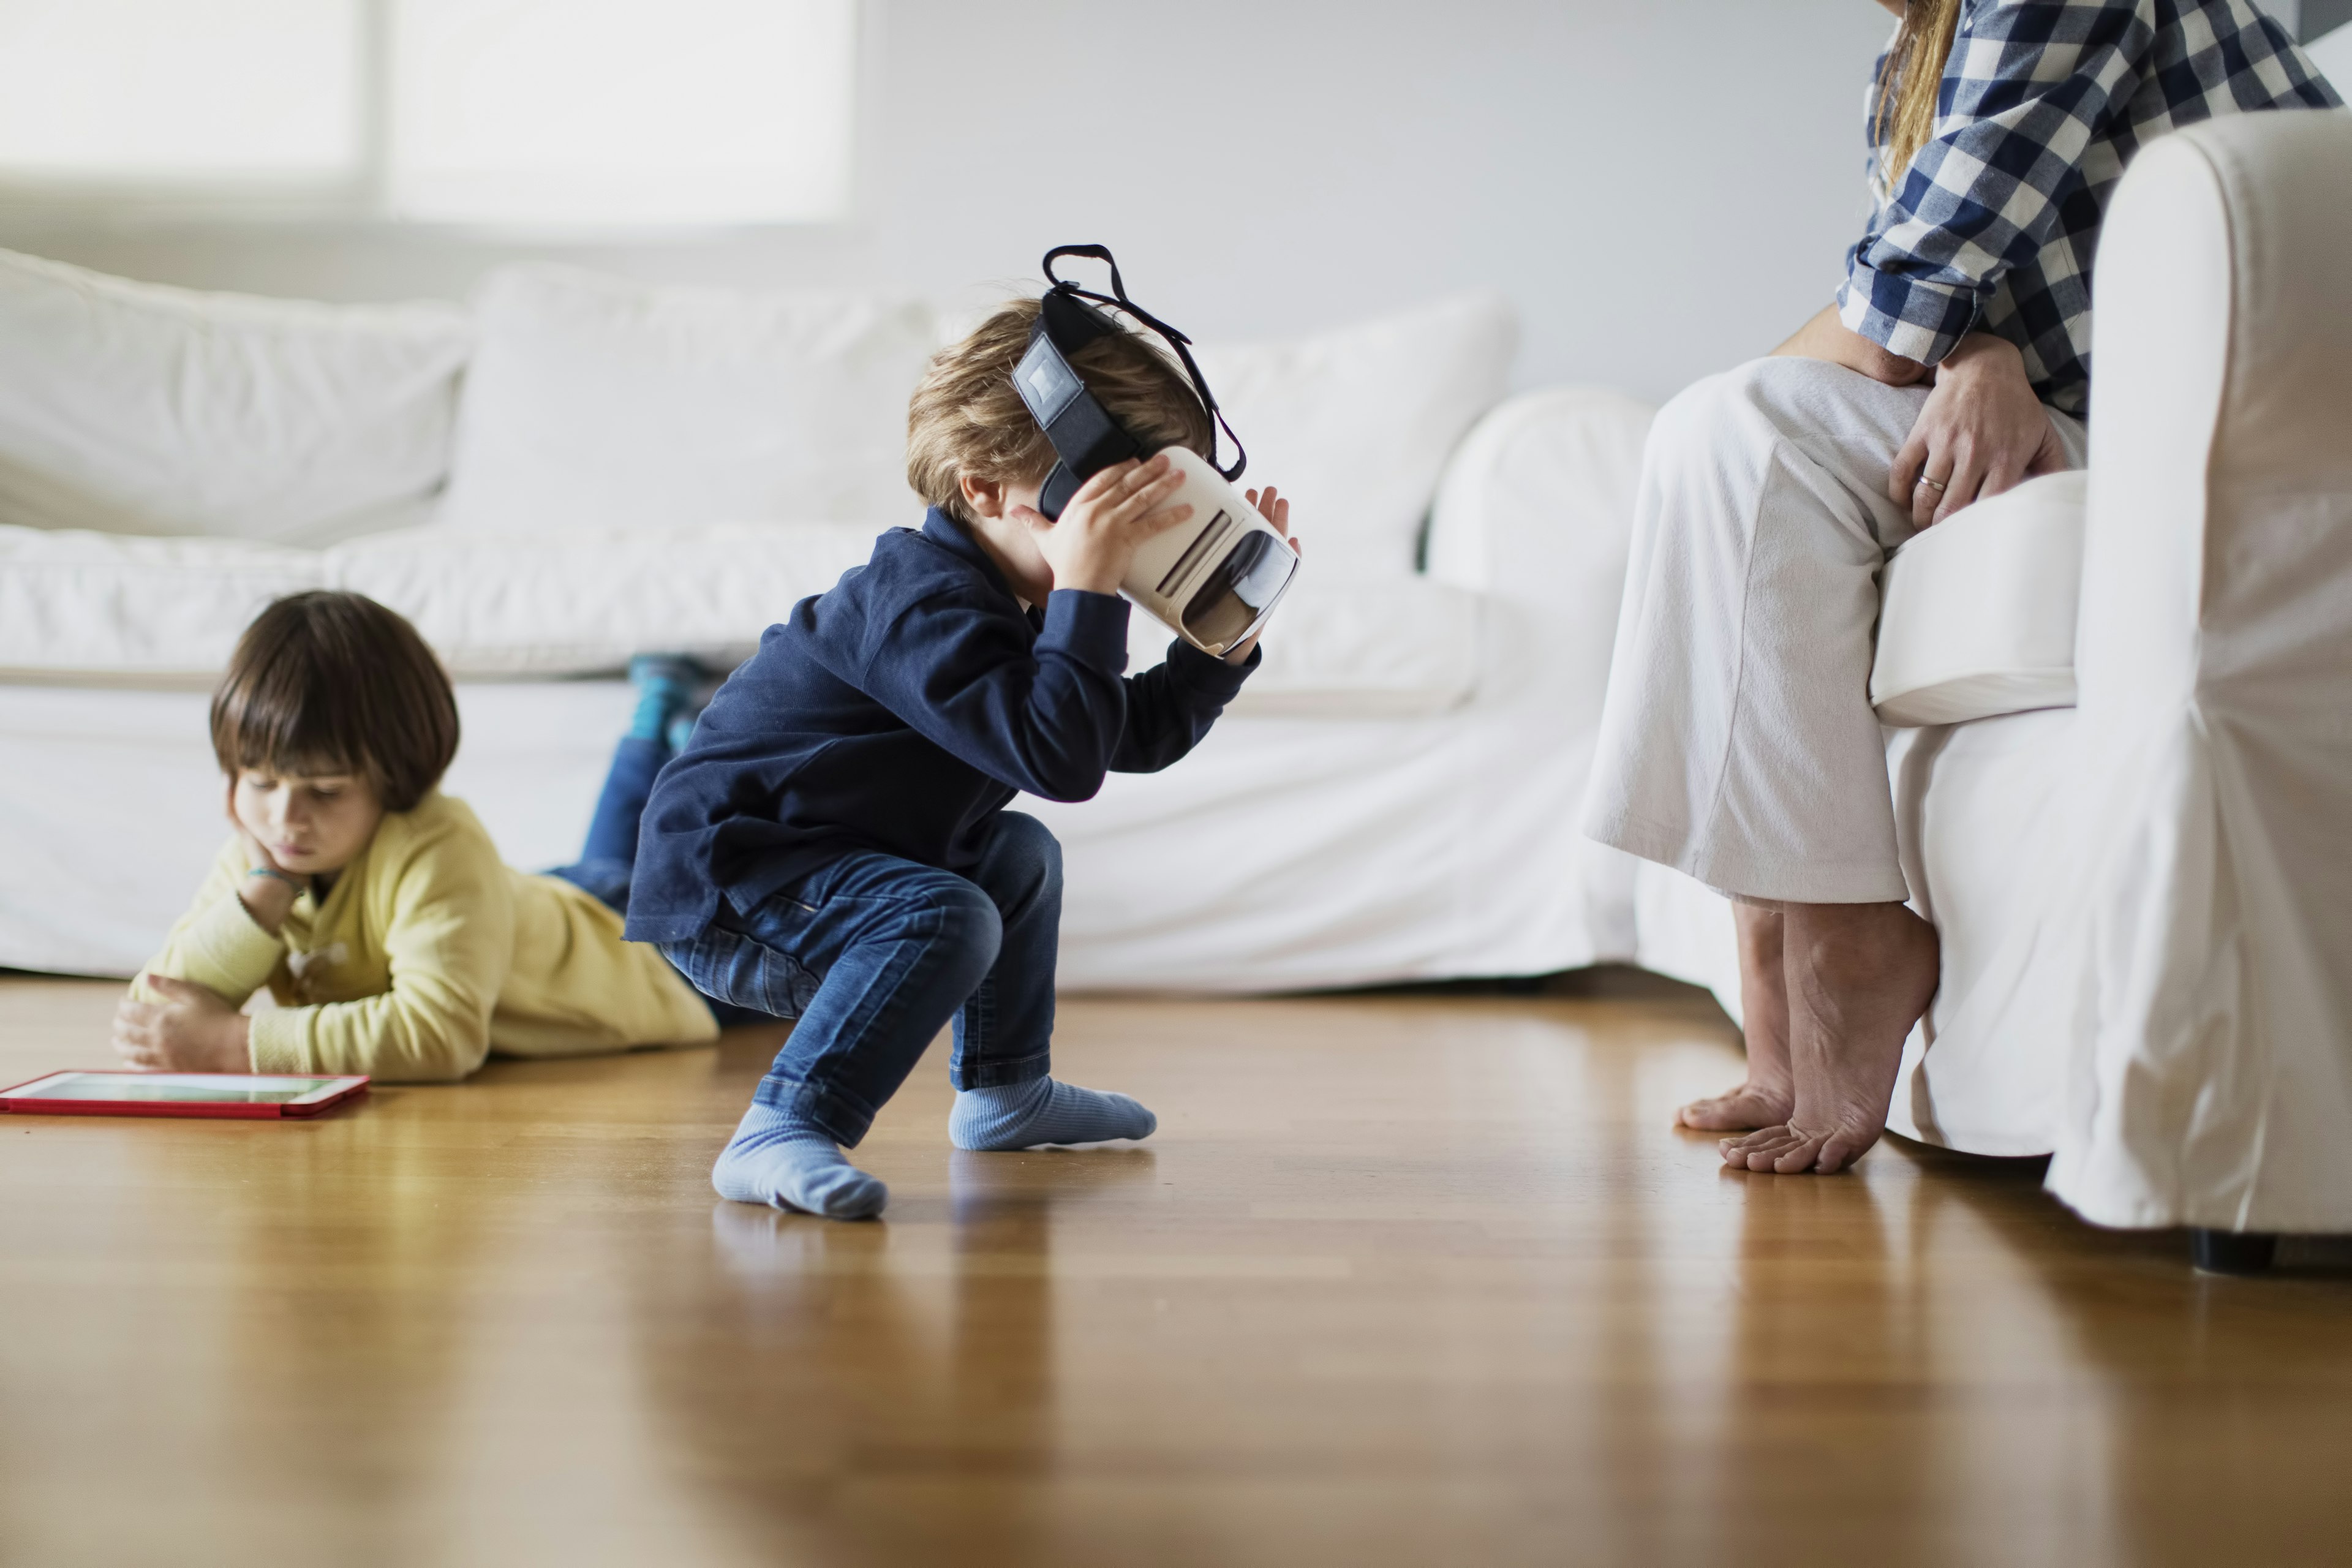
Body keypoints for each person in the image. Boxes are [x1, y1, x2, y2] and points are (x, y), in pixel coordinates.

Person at [1582, 0, 2339, 1175]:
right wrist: (1971, 349)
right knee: (1722, 447)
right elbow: (1915, 304)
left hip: (2258, 438)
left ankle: (1838, 945)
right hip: (2119, 419)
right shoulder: (1911, 58)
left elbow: (1887, 319)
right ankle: (1777, 952)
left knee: (1738, 438)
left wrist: (1937, 335)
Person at [624, 298, 1295, 1221]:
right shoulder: (918, 603)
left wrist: (1218, 643)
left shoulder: (1015, 596)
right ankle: (779, 1130)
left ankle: (1004, 1090)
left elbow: (1117, 737)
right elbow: (1061, 760)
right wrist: (1089, 591)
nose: (1127, 543)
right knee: (948, 913)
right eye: (1100, 511)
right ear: (984, 490)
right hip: (739, 885)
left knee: (1019, 855)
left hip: (842, 857)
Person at [112, 591, 736, 1080]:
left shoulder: (439, 843)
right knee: (605, 859)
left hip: (640, 960)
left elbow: (439, 1036)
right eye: (259, 782)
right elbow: (156, 1013)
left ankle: (686, 741)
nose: (285, 817)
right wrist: (259, 900)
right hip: (521, 907)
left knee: (754, 918)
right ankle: (657, 719)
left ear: (395, 777)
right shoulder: (263, 858)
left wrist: (232, 1043)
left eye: (326, 790)